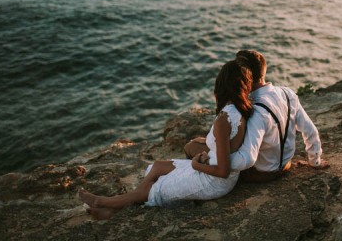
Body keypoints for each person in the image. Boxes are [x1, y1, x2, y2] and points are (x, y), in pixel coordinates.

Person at [78, 60, 253, 219]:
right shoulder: (240, 111)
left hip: (214, 181)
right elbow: (226, 148)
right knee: (157, 167)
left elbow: (223, 170)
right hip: (213, 169)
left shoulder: (225, 119)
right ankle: (116, 207)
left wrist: (195, 165)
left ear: (222, 84)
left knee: (153, 188)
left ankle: (103, 203)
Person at [184, 50, 325, 182]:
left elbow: (246, 159)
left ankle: (197, 180)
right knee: (204, 143)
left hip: (261, 173)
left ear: (245, 74)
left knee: (191, 147)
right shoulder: (287, 93)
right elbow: (310, 130)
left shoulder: (255, 110)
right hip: (285, 165)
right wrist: (314, 161)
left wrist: (218, 155)